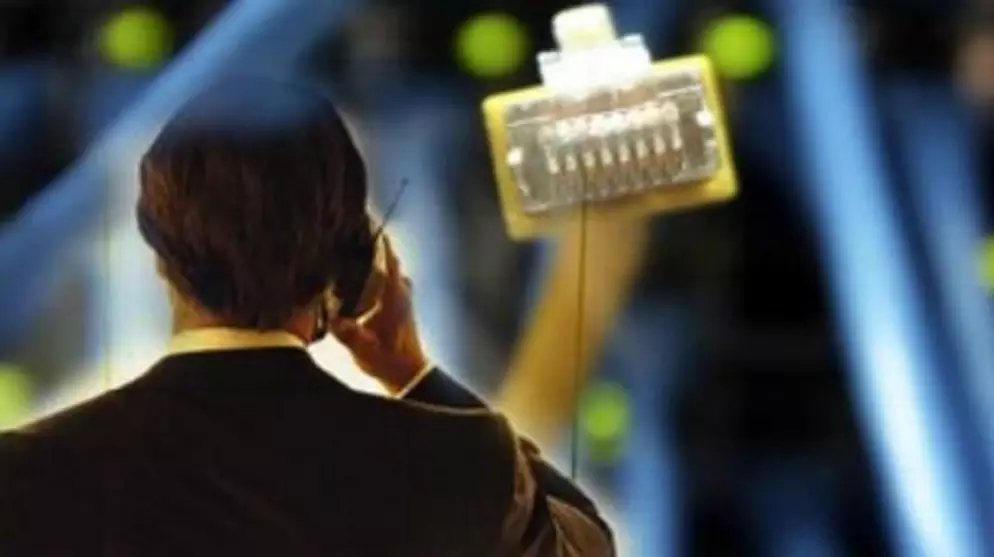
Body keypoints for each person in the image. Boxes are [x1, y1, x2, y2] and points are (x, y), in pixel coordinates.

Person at [0, 76, 615, 557]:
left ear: (160, 256)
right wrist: (415, 375)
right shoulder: (461, 463)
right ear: (353, 265)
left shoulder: (24, 475)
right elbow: (586, 545)